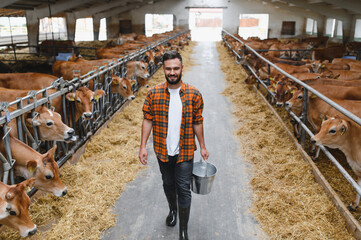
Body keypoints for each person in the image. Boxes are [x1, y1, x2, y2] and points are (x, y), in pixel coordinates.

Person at [139, 50, 209, 240]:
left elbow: (198, 121)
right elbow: (147, 120)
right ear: (163, 69)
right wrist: (143, 146)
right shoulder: (153, 94)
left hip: (185, 150)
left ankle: (183, 231)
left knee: (183, 189)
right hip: (162, 150)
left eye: (175, 68)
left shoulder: (194, 94)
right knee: (168, 184)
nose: (172, 72)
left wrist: (202, 146)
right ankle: (173, 210)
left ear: (181, 68)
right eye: (168, 68)